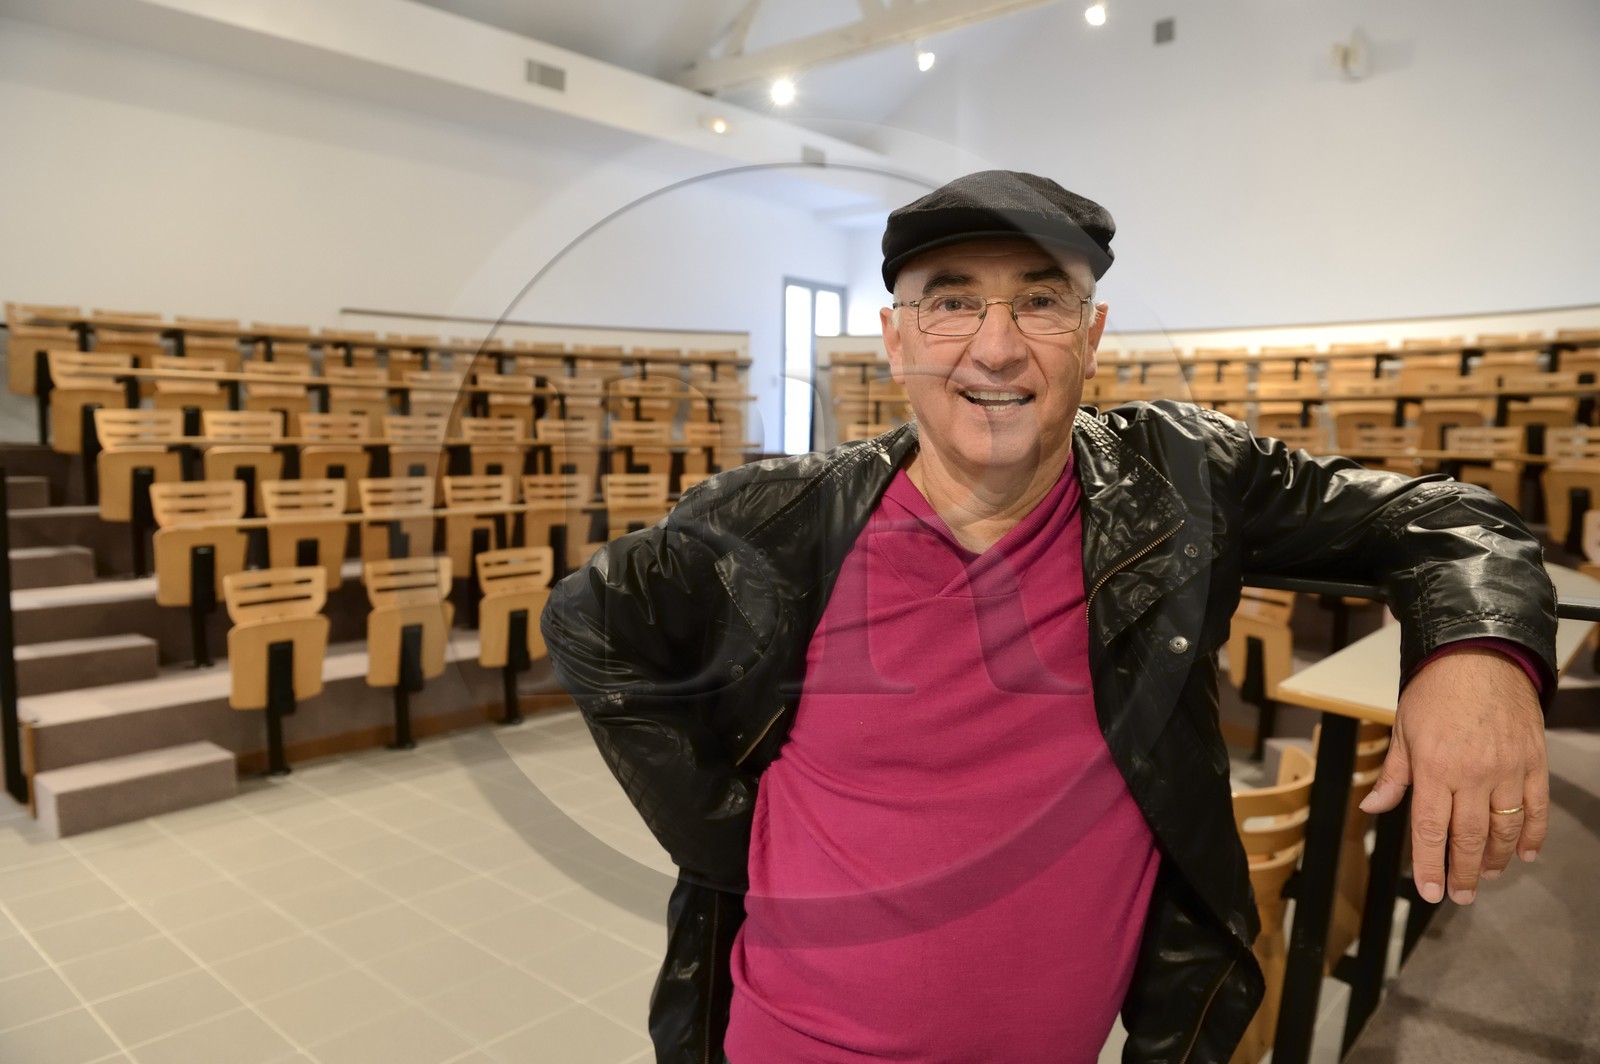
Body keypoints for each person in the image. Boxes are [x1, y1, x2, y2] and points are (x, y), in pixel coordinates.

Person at [541, 171, 1557, 1064]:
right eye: (950, 303)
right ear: (895, 340)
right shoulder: (776, 519)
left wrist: (1476, 649)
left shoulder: (1181, 479)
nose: (995, 346)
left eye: (1041, 301)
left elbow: (1441, 514)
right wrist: (730, 840)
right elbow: (588, 620)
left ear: (1091, 335)